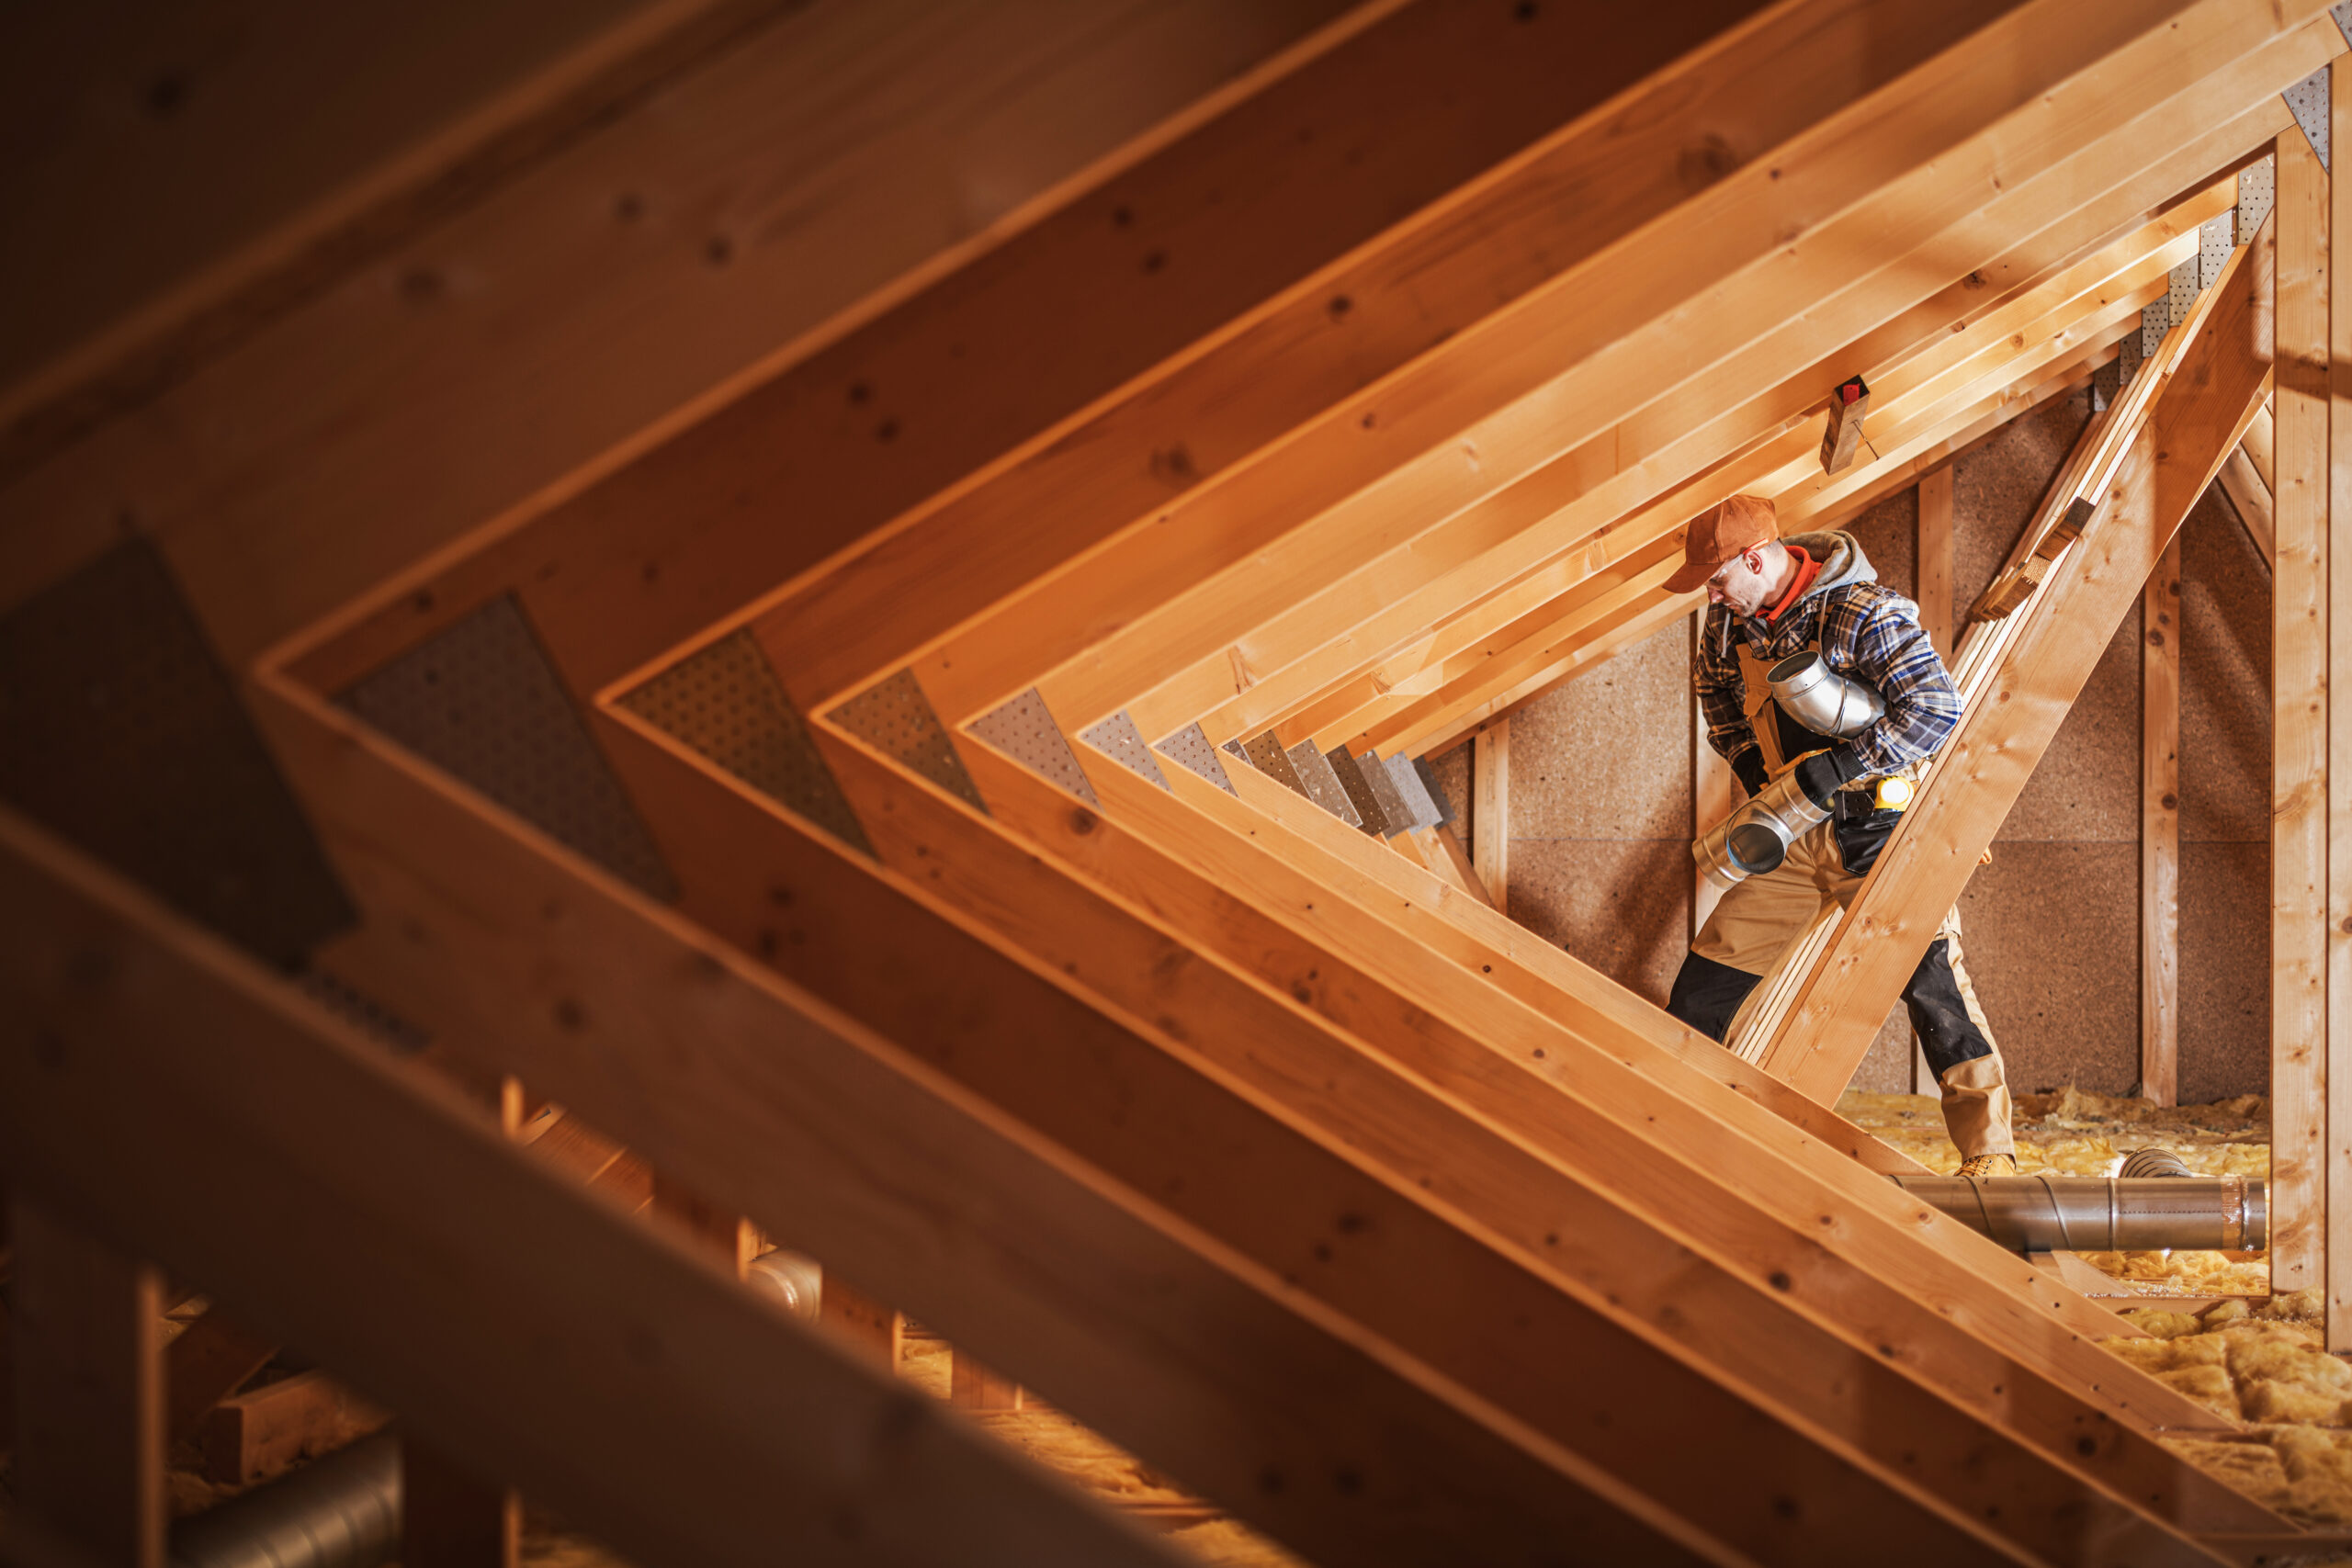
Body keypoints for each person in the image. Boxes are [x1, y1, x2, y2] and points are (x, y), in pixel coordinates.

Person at [1662, 494, 2016, 1177]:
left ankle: (1989, 1155)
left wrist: (1841, 767)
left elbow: (1938, 707)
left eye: (1717, 577)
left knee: (1932, 985)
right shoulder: (1726, 622)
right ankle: (1677, 1128)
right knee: (1707, 983)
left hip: (1880, 827)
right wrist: (1765, 782)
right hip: (1795, 834)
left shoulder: (1861, 611)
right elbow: (1719, 702)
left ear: (1756, 558)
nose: (1710, 593)